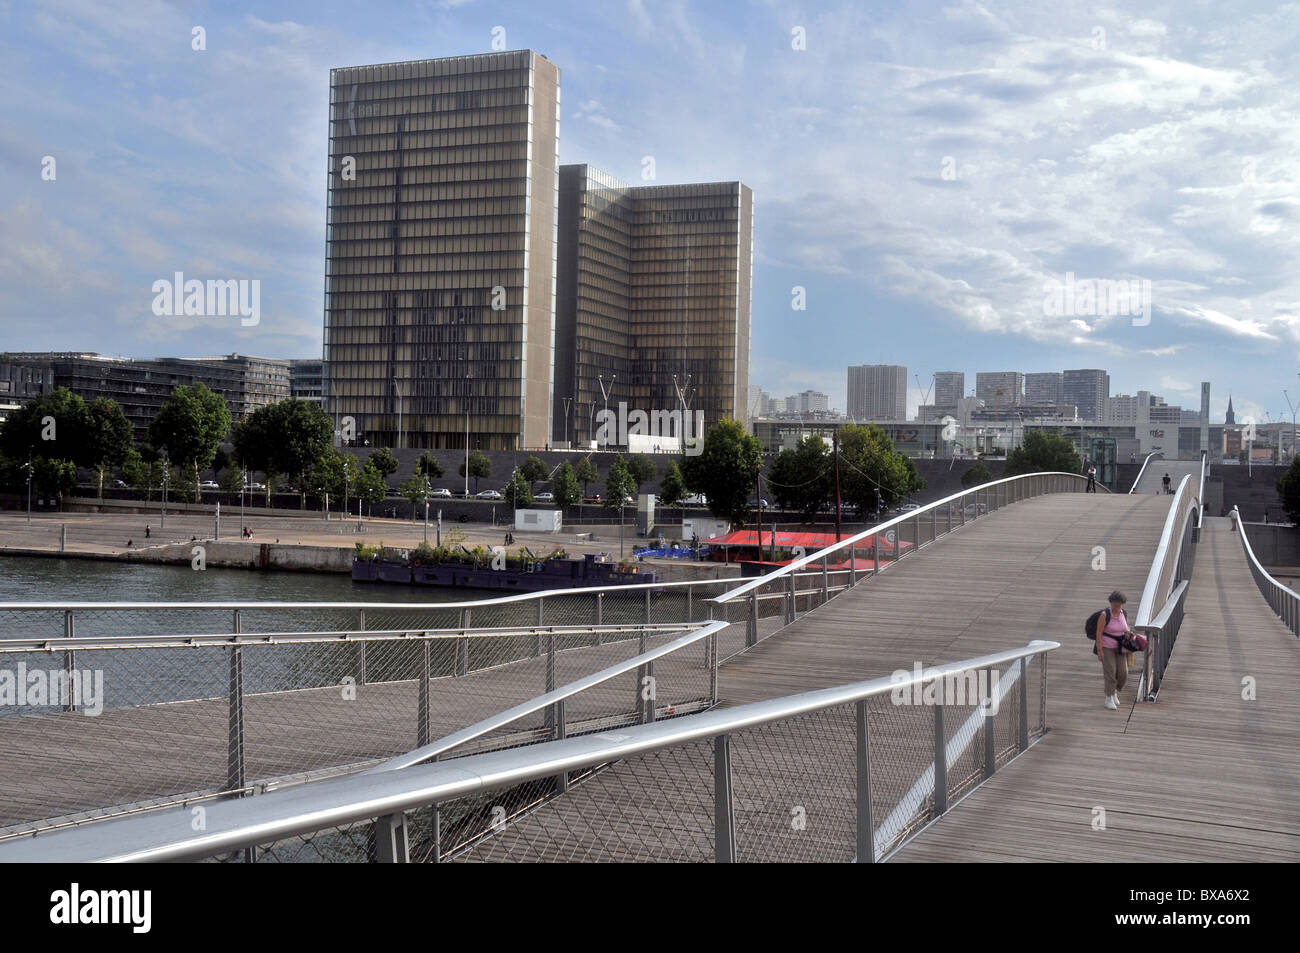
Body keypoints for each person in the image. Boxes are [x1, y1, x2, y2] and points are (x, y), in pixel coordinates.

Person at [1095, 590, 1135, 710]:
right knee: (1110, 672)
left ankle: (1114, 692)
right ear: (1111, 602)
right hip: (1106, 647)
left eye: (1119, 604)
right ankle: (1108, 698)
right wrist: (1100, 650)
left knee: (1123, 673)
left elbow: (1126, 627)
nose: (1117, 607)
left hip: (1120, 647)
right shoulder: (1105, 615)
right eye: (1115, 604)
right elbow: (1099, 633)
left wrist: (1130, 634)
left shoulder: (1124, 613)